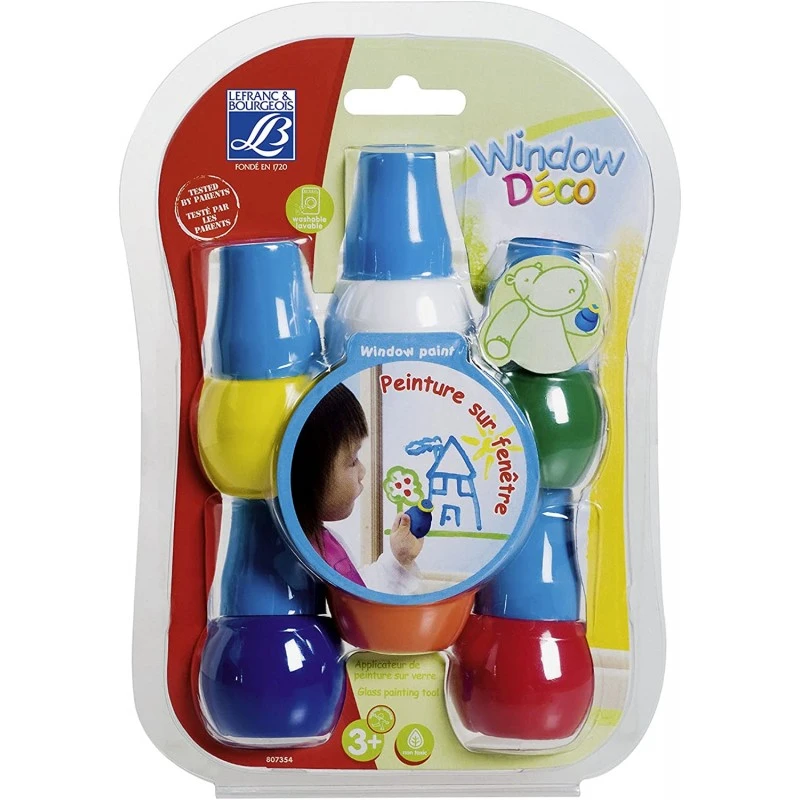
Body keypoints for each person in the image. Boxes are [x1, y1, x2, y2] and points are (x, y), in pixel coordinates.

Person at [291, 383, 424, 594]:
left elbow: (358, 591)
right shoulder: (298, 556)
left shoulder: (325, 543)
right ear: (307, 470)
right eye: (353, 460)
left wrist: (399, 558)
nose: (362, 471)